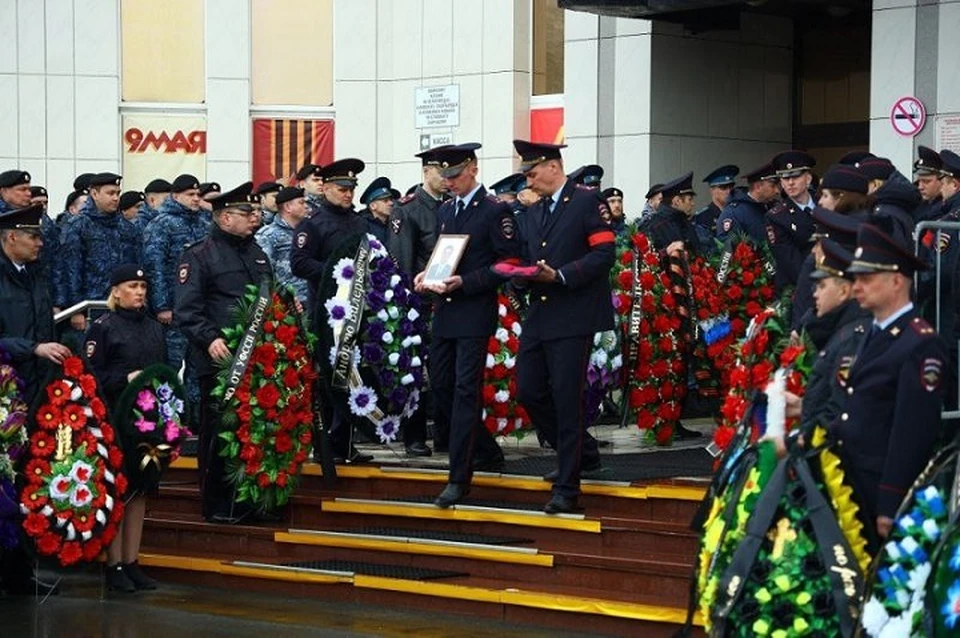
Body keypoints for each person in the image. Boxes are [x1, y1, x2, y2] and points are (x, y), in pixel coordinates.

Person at [510, 139, 615, 514]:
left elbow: (604, 253)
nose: (529, 181)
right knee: (529, 389)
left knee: (567, 399)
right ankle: (582, 451)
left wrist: (563, 275)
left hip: (573, 313)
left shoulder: (587, 201)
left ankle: (568, 486)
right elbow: (527, 256)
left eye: (533, 173)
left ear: (554, 166)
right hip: (540, 313)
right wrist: (518, 274)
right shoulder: (536, 210)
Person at [413, 143, 519, 508]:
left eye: (455, 175)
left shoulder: (495, 211)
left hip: (473, 311)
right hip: (445, 310)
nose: (450, 182)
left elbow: (508, 264)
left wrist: (468, 282)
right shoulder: (446, 210)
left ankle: (459, 476)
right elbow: (446, 253)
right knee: (441, 386)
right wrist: (429, 272)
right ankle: (485, 448)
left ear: (473, 169)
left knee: (464, 391)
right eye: (445, 176)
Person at [831, 223, 946, 551]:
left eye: (867, 280)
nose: (856, 288)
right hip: (852, 481)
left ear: (897, 281)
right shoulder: (872, 332)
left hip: (880, 485)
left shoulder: (919, 343)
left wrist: (892, 500)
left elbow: (913, 430)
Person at [174, 182, 271, 523]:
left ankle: (253, 500)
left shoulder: (257, 253)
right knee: (220, 432)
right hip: (219, 359)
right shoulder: (199, 254)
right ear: (225, 217)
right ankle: (218, 503)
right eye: (246, 213)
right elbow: (187, 311)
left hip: (257, 358)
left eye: (255, 212)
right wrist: (210, 338)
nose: (254, 218)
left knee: (254, 429)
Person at [83, 265, 165, 593]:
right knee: (117, 490)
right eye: (132, 286)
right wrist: (124, 379)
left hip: (146, 420)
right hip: (114, 417)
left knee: (140, 489)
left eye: (143, 286)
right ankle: (113, 563)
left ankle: (132, 560)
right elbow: (89, 375)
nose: (140, 292)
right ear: (116, 291)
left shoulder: (154, 327)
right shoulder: (103, 328)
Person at [0, 204, 67, 596]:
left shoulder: (35, 276)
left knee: (26, 483)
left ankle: (18, 572)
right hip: (6, 391)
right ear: (12, 238)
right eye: (33, 236)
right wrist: (32, 348)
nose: (41, 242)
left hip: (34, 391)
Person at [290, 158, 373, 464]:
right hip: (327, 315)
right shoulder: (313, 225)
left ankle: (345, 441)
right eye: (342, 189)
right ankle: (325, 443)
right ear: (325, 188)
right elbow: (299, 262)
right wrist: (336, 272)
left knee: (354, 376)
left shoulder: (360, 222)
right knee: (328, 379)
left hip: (357, 313)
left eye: (351, 189)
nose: (348, 194)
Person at [388, 148, 447, 457]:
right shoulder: (408, 209)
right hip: (419, 303)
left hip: (449, 300)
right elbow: (400, 264)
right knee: (416, 372)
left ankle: (445, 433)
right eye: (441, 172)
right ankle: (414, 435)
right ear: (426, 172)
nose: (446, 179)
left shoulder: (451, 206)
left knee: (445, 372)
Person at [789, 239, 870, 438]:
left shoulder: (851, 337)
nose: (815, 294)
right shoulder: (838, 328)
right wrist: (802, 407)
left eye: (822, 286)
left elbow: (841, 413)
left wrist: (793, 443)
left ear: (844, 291)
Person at [143, 173, 208, 417]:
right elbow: (154, 266)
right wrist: (161, 306)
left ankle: (194, 420)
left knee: (197, 367)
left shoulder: (203, 222)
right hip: (173, 309)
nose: (195, 199)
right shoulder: (162, 223)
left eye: (197, 194)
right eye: (190, 195)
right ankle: (167, 419)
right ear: (175, 196)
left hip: (198, 309)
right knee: (170, 366)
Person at [58, 173, 142, 333]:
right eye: (110, 193)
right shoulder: (78, 226)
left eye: (118, 193)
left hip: (123, 305)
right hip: (92, 305)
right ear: (94, 194)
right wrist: (76, 310)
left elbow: (135, 265)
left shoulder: (126, 227)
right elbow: (71, 270)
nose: (116, 198)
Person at [766, 150, 818, 293]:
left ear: (808, 179)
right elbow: (791, 262)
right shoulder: (777, 217)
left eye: (795, 176)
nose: (790, 183)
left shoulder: (825, 203)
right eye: (785, 178)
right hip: (800, 288)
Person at [255, 186, 310, 305]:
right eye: (301, 203)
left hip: (311, 300)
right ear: (288, 207)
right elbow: (263, 273)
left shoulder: (308, 232)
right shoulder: (268, 235)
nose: (306, 206)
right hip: (286, 304)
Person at [638, 172, 702, 256]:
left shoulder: (683, 221)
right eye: (689, 199)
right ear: (677, 201)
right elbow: (648, 258)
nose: (692, 203)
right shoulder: (654, 225)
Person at [716, 162, 779, 243]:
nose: (777, 191)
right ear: (758, 187)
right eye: (773, 186)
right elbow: (729, 248)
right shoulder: (734, 213)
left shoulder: (773, 206)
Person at [694, 164, 738, 240]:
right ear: (712, 191)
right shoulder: (702, 217)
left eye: (731, 187)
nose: (729, 191)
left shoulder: (738, 211)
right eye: (723, 188)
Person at [913, 145, 944, 224]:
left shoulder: (944, 208)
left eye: (926, 182)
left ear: (942, 181)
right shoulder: (919, 202)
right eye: (919, 181)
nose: (920, 187)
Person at [358, 176, 395, 244]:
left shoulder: (394, 223)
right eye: (385, 201)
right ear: (373, 206)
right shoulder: (362, 225)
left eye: (390, 200)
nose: (391, 203)